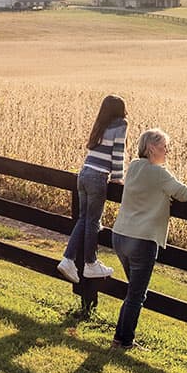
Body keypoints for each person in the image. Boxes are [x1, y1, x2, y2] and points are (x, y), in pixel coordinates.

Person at [110, 128, 187, 350]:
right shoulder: (159, 174)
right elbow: (185, 194)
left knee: (133, 292)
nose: (167, 151)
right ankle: (124, 341)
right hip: (142, 240)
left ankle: (120, 337)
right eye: (164, 147)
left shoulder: (134, 167)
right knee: (136, 295)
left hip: (120, 236)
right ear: (151, 148)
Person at [57, 95, 127, 283]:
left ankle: (67, 260)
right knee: (92, 221)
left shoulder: (100, 124)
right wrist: (118, 178)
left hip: (84, 173)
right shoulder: (121, 124)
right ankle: (90, 263)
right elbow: (118, 152)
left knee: (84, 218)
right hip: (98, 177)